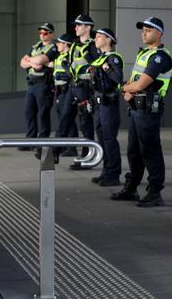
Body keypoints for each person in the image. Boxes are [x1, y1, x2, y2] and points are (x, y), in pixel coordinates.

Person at [110, 17, 172, 205]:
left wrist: (124, 89)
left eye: (148, 30)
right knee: (134, 151)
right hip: (137, 108)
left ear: (159, 33)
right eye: (143, 30)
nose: (144, 33)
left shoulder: (160, 56)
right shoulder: (144, 54)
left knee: (150, 150)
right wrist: (129, 88)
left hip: (148, 110)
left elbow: (143, 83)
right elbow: (134, 80)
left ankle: (155, 192)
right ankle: (131, 187)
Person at [57, 14, 98, 170]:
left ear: (88, 27)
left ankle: (86, 157)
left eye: (79, 25)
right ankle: (55, 150)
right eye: (76, 25)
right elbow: (66, 62)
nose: (76, 28)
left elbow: (97, 64)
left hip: (85, 87)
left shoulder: (93, 45)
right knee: (64, 119)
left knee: (85, 124)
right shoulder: (74, 45)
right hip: (73, 86)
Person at [90, 28, 123, 186]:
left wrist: (107, 68)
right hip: (98, 103)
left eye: (99, 36)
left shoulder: (113, 58)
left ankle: (114, 174)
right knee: (102, 138)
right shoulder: (99, 58)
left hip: (108, 103)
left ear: (108, 40)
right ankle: (106, 170)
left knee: (109, 139)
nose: (95, 39)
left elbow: (118, 78)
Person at [19, 23, 58, 156]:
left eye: (45, 33)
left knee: (43, 114)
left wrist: (33, 61)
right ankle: (30, 141)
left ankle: (42, 142)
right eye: (41, 32)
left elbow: (41, 62)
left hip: (44, 84)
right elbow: (22, 62)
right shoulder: (35, 46)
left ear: (51, 34)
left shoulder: (53, 48)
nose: (42, 35)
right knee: (29, 112)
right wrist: (33, 62)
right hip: (32, 84)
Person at [52, 33, 79, 157]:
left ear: (65, 44)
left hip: (66, 91)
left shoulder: (69, 57)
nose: (57, 44)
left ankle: (71, 147)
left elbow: (72, 74)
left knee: (68, 120)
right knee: (62, 119)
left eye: (59, 43)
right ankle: (64, 146)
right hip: (58, 91)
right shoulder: (60, 56)